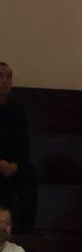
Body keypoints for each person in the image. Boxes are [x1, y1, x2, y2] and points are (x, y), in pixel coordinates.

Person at [0, 63, 38, 234]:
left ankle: (23, 229)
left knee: (30, 172)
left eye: (9, 76)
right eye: (1, 76)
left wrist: (15, 164)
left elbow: (24, 145)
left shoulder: (17, 110)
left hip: (11, 164)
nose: (5, 81)